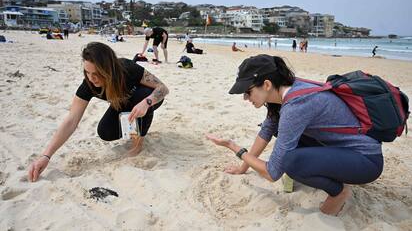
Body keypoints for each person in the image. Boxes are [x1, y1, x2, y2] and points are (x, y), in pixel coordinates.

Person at [207, 54, 383, 216]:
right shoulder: (286, 90)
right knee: (278, 131)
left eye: (248, 91)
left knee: (291, 162)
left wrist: (234, 147)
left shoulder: (296, 105)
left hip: (366, 161)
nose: (245, 98)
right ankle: (327, 175)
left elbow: (272, 173)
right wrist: (242, 168)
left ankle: (338, 192)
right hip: (340, 150)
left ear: (267, 84)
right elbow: (267, 131)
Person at [27, 42, 169, 182]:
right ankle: (133, 128)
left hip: (147, 99)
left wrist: (147, 102)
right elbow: (71, 120)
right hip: (123, 103)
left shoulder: (126, 68)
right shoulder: (89, 85)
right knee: (105, 132)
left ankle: (137, 144)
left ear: (109, 69)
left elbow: (163, 88)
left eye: (97, 73)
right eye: (87, 72)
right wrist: (46, 156)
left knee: (141, 96)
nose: (91, 78)